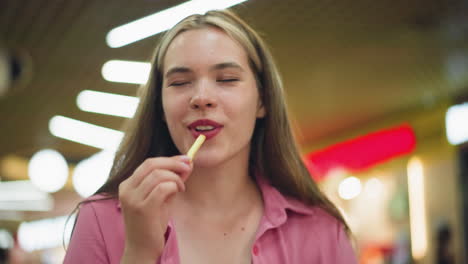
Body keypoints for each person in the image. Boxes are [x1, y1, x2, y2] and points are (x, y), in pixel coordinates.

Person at [63, 9, 357, 264]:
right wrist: (139, 253)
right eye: (180, 83)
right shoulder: (100, 220)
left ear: (262, 100)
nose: (201, 98)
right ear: (161, 108)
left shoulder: (321, 231)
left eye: (227, 79)